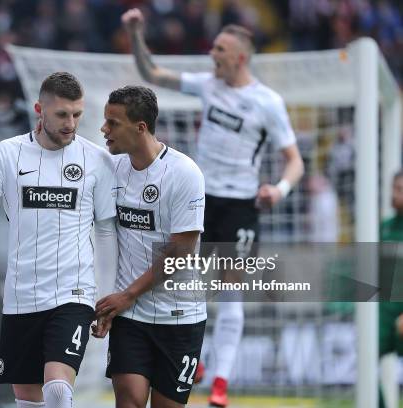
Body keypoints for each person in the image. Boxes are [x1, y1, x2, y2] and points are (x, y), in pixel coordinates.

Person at [121, 9, 305, 407]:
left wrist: (281, 189)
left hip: (240, 205)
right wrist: (136, 32)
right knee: (184, 284)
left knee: (231, 291)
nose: (212, 55)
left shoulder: (267, 103)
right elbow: (151, 74)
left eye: (220, 49)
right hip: (199, 201)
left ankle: (219, 383)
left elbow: (295, 160)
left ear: (239, 57)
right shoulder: (207, 85)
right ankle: (196, 361)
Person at [0, 72, 118, 408]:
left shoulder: (96, 160)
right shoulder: (8, 153)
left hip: (73, 292)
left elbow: (107, 231)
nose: (71, 123)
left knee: (58, 388)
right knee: (27, 398)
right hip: (21, 295)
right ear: (39, 109)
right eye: (62, 114)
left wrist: (106, 295)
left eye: (77, 114)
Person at [94, 85, 206, 408]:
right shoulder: (110, 167)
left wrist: (126, 294)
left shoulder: (185, 174)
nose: (104, 130)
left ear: (140, 127)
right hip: (131, 315)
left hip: (180, 316)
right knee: (128, 401)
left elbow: (181, 253)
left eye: (113, 123)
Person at [378, 170, 403, 408]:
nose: (394, 195)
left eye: (400, 190)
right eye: (393, 188)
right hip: (384, 316)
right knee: (364, 357)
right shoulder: (383, 228)